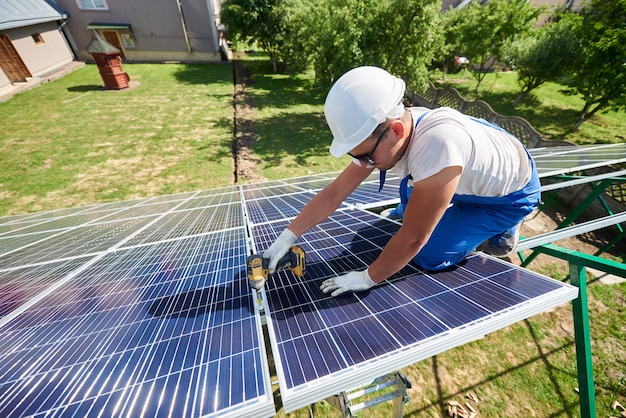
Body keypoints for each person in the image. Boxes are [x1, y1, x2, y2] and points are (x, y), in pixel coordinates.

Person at [263, 66, 541, 297]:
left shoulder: (437, 148)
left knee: (427, 254)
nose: (364, 164)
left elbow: (412, 239)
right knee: (414, 200)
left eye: (366, 157)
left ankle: (504, 227)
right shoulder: (394, 129)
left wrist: (367, 278)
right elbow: (336, 192)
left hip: (507, 194)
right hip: (473, 159)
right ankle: (438, 206)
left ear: (395, 130)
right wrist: (288, 237)